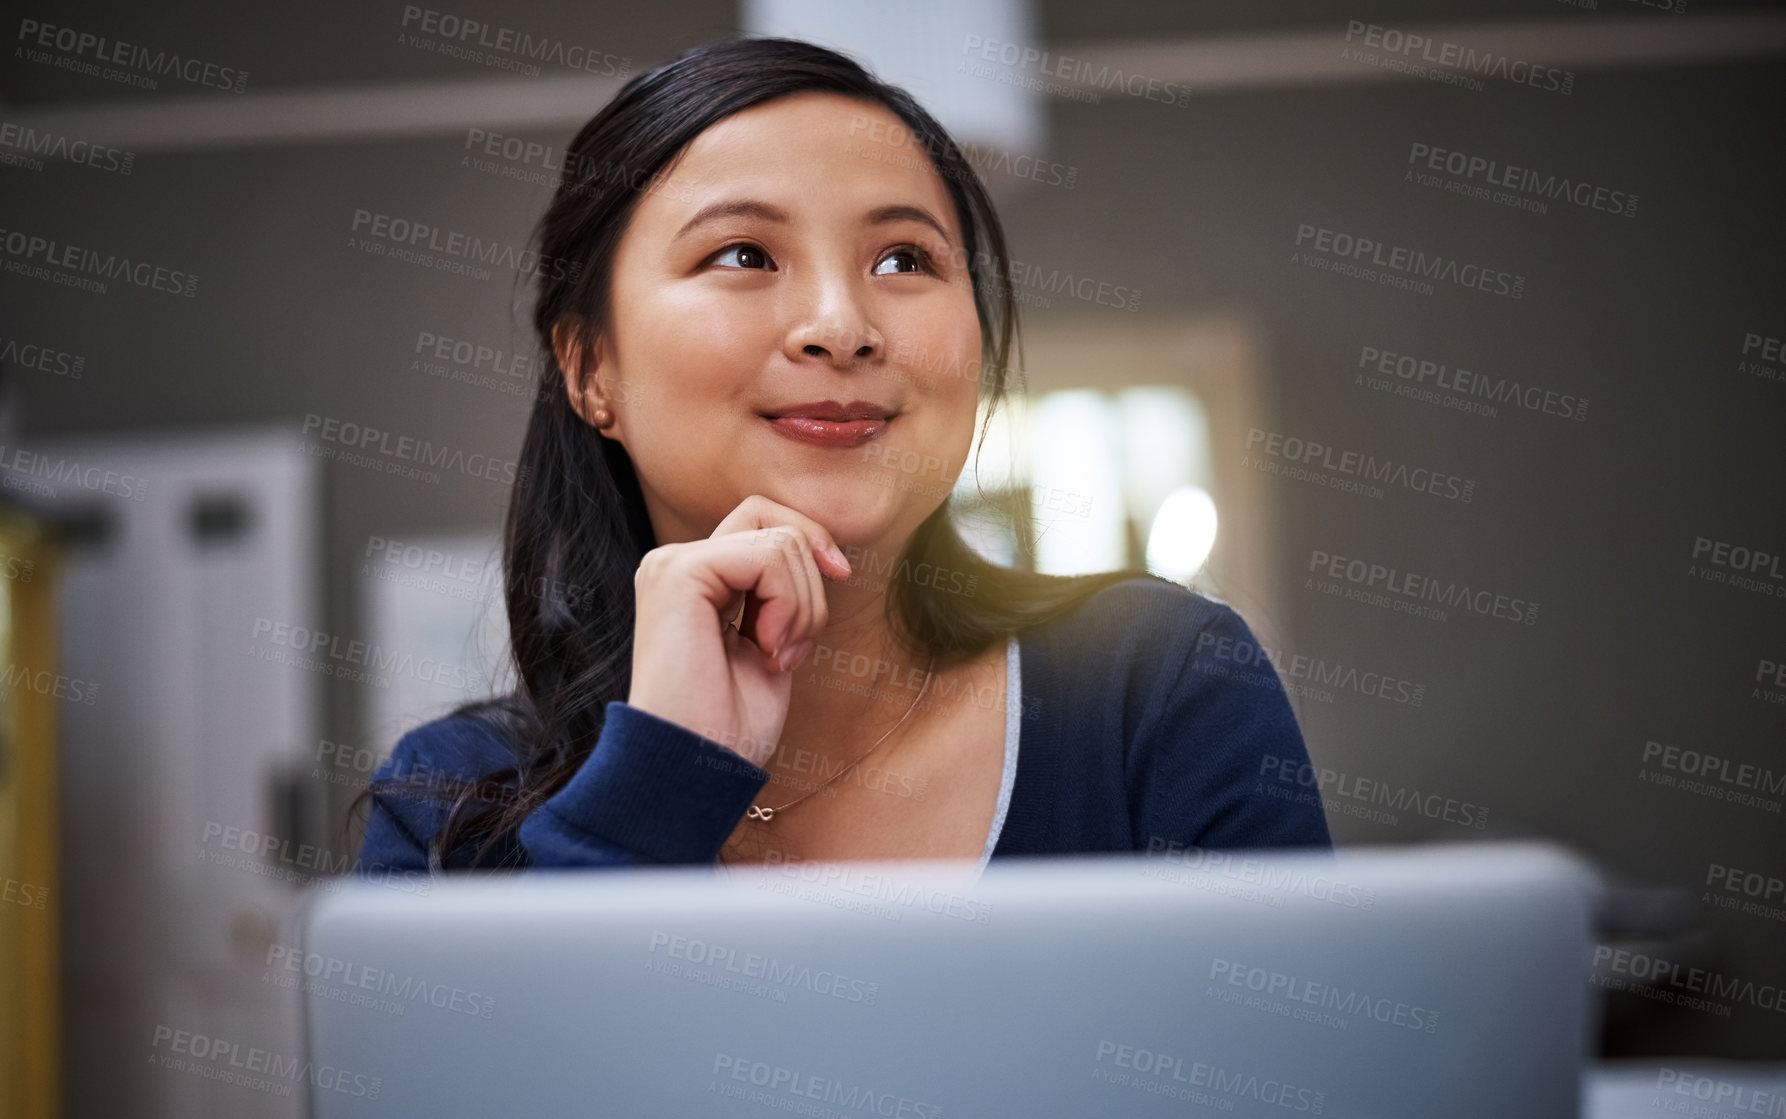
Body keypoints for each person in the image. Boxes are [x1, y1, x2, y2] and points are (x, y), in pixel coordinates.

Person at [350, 35, 1330, 877]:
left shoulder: (1154, 690)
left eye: (903, 260)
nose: (840, 326)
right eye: (742, 254)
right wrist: (657, 782)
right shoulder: (449, 811)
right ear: (591, 367)